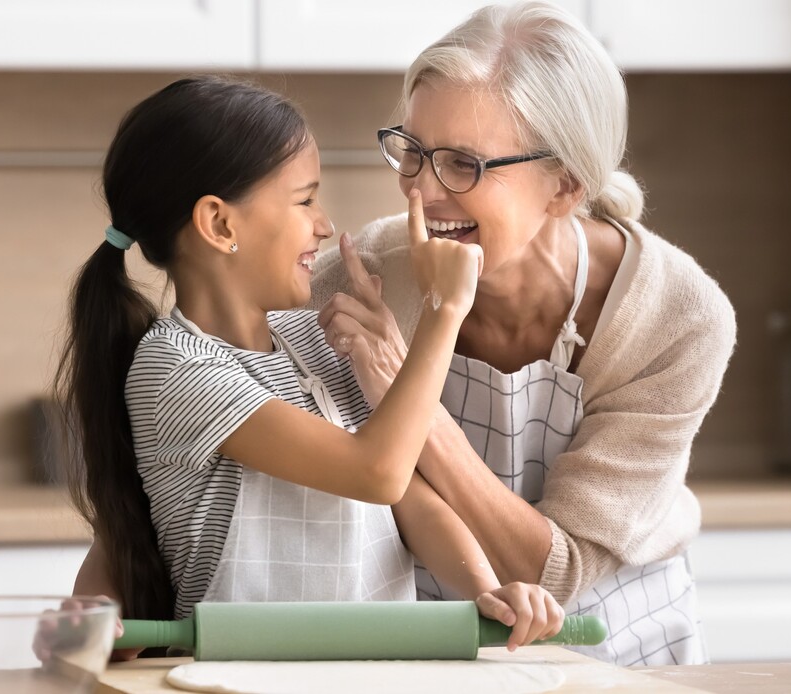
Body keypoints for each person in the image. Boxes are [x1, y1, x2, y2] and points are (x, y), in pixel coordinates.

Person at [56, 75, 565, 659]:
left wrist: (488, 592)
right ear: (221, 225)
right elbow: (377, 471)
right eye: (304, 200)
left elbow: (410, 502)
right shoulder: (178, 369)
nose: (324, 224)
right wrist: (444, 311)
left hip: (369, 674)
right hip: (236, 679)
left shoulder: (311, 336)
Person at [309, 2, 736, 665]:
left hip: (619, 641)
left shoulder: (675, 317)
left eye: (463, 165)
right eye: (413, 153)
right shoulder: (358, 281)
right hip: (426, 641)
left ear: (563, 186)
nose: (421, 190)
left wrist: (402, 387)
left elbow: (557, 571)